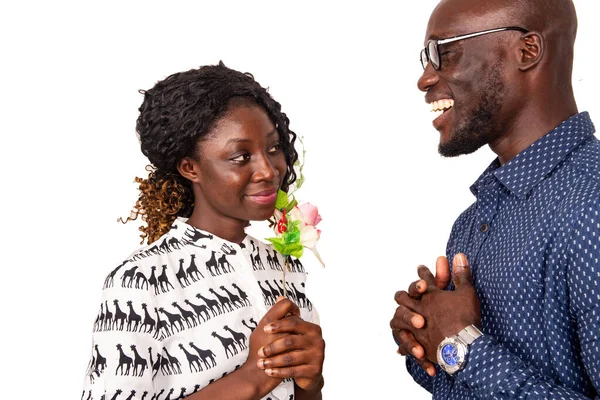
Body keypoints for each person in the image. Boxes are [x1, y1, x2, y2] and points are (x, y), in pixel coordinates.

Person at [390, 0, 599, 398]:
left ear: (527, 51)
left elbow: (465, 353)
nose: (424, 79)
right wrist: (426, 337)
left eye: (444, 53)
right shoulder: (472, 222)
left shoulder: (592, 207)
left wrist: (463, 347)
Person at [81, 62, 325, 400]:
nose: (268, 170)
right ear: (190, 167)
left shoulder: (286, 268)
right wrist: (253, 376)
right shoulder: (139, 283)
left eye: (273, 148)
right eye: (241, 156)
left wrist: (310, 385)